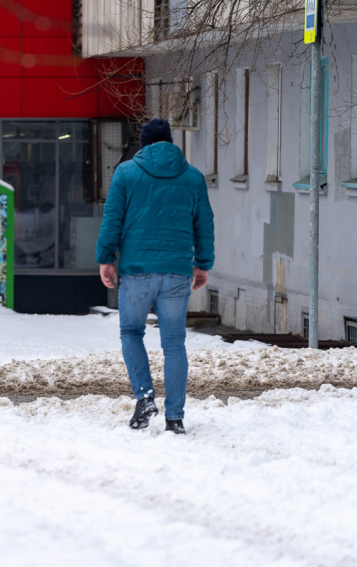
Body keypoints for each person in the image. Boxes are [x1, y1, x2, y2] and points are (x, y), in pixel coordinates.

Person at [95, 119, 215, 435]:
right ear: (171, 142)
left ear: (144, 144)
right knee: (174, 343)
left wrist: (106, 259)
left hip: (136, 272)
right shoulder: (193, 177)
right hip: (177, 272)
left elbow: (112, 218)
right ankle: (175, 418)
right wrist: (202, 264)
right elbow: (204, 223)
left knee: (131, 332)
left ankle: (145, 397)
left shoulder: (126, 173)